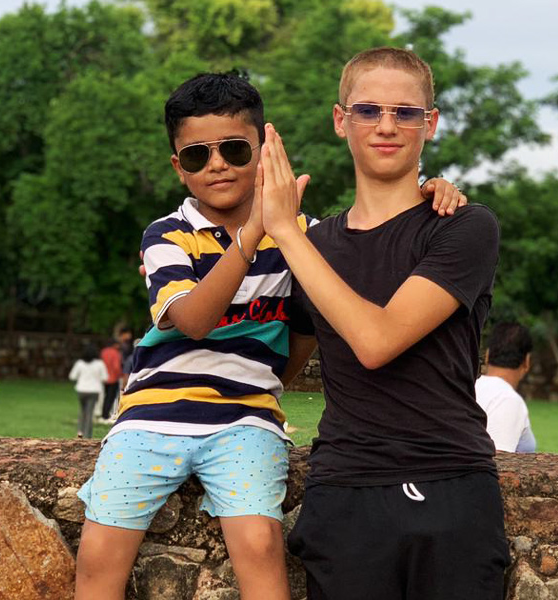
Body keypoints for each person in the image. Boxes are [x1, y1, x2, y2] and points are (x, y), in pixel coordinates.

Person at [74, 71, 469, 600]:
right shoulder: (168, 235)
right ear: (178, 167)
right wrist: (255, 231)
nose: (217, 164)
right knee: (99, 552)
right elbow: (193, 319)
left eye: (235, 149)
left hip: (246, 418)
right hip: (151, 416)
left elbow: (356, 258)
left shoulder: (300, 237)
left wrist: (427, 192)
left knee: (261, 543)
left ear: (264, 152)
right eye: (197, 155)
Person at [261, 47, 508, 599]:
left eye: (406, 112)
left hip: (451, 484)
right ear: (340, 120)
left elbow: (377, 341)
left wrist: (286, 233)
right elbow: (270, 371)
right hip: (345, 492)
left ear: (431, 123)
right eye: (368, 110)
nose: (387, 126)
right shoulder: (314, 245)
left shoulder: (463, 226)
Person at [475, 322, 537, 453]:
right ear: (527, 361)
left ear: (487, 356)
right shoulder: (508, 400)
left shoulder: (469, 388)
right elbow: (498, 459)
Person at [69, 345, 109, 439]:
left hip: (81, 390)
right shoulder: (99, 364)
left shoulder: (80, 363)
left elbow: (72, 376)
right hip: (94, 391)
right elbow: (105, 377)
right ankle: (87, 436)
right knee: (89, 413)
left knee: (82, 411)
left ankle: (80, 432)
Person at [99, 339, 123, 421]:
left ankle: (104, 413)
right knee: (111, 397)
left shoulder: (104, 351)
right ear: (115, 345)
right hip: (113, 378)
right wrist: (120, 374)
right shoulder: (115, 353)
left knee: (106, 396)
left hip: (104, 378)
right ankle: (106, 415)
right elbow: (116, 366)